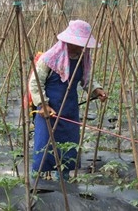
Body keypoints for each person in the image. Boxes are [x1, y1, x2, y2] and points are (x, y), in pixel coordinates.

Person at [29, 20, 107, 181]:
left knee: (68, 147)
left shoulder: (82, 58)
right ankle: (36, 182)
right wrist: (43, 104)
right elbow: (35, 82)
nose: (80, 48)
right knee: (45, 148)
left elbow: (87, 79)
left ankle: (62, 179)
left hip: (70, 110)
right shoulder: (49, 58)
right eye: (77, 44)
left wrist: (96, 90)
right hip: (49, 111)